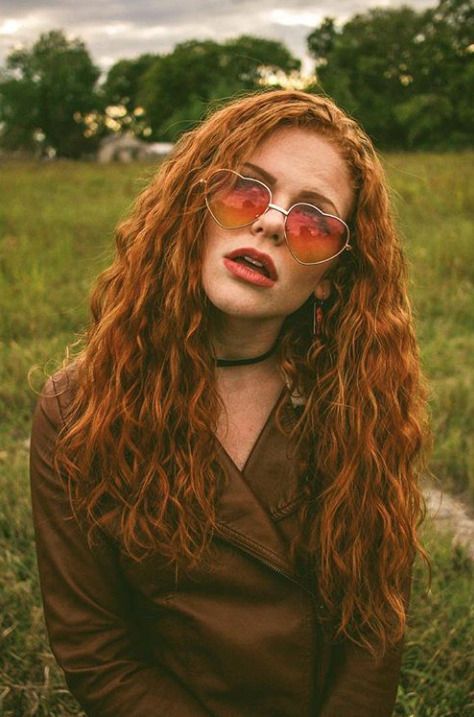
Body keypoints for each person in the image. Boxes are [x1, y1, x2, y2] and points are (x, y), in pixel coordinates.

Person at [30, 89, 430, 717]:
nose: (271, 222)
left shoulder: (356, 400)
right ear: (192, 208)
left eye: (313, 220)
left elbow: (375, 626)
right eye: (247, 192)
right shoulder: (78, 407)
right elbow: (96, 650)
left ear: (329, 276)